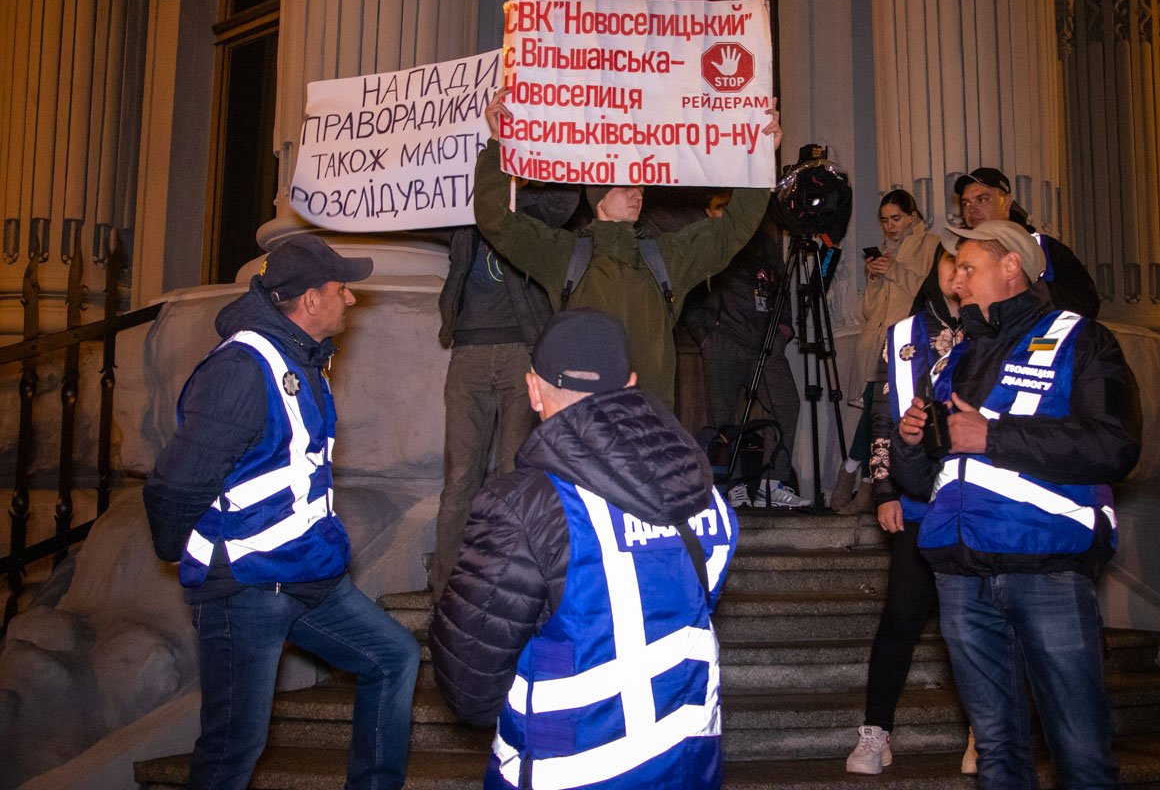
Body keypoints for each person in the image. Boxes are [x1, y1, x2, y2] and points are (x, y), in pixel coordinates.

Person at [143, 235, 421, 790]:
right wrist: (200, 563)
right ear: (309, 300)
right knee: (231, 750)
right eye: (342, 289)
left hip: (307, 577)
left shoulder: (305, 360)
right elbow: (173, 487)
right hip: (245, 589)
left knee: (394, 657)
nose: (351, 299)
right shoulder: (241, 370)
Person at [429, 309, 738, 790]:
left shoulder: (523, 506)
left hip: (568, 770)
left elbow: (470, 687)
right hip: (688, 763)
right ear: (632, 384)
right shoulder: (702, 492)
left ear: (533, 389)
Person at [890, 220, 1141, 789]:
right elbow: (924, 479)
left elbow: (1116, 445)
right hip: (959, 575)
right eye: (954, 273)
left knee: (1080, 750)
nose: (955, 284)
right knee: (997, 754)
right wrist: (911, 444)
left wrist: (993, 437)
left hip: (1046, 568)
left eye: (967, 268)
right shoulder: (953, 359)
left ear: (1011, 266)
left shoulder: (1082, 338)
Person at [472, 85, 781, 408]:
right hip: (587, 427)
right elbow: (495, 219)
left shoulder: (665, 257)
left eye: (640, 184)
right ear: (599, 197)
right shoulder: (563, 255)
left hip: (650, 430)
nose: (638, 193)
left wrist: (759, 158)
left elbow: (731, 229)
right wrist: (497, 144)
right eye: (625, 185)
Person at [845, 248, 964, 773]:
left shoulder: (997, 331)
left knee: (973, 623)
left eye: (968, 262)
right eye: (950, 262)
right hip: (917, 502)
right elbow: (881, 418)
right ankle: (875, 734)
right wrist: (885, 487)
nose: (958, 273)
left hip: (978, 499)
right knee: (900, 617)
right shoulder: (903, 335)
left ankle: (984, 732)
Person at [431, 182, 579, 601]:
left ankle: (508, 589)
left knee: (513, 474)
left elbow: (564, 203)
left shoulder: (528, 207)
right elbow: (419, 203)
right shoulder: (460, 203)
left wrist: (514, 188)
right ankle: (447, 595)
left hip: (521, 349)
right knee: (460, 478)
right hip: (467, 352)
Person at [684, 190, 806, 508]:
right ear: (708, 212)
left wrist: (781, 333)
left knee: (787, 405)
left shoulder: (762, 243)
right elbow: (687, 296)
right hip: (723, 344)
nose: (725, 212)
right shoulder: (703, 244)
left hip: (764, 345)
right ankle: (732, 484)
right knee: (723, 418)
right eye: (719, 207)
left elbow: (780, 291)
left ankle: (773, 482)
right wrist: (706, 338)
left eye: (729, 207)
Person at [831, 190, 941, 514]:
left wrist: (893, 270)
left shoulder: (930, 245)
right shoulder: (886, 251)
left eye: (896, 218)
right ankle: (864, 480)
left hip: (904, 345)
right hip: (874, 342)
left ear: (912, 216)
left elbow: (927, 291)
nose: (890, 226)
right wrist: (874, 278)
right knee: (874, 410)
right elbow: (868, 309)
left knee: (875, 411)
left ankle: (857, 474)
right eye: (885, 220)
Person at [955, 167, 1100, 318]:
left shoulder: (1045, 248)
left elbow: (1086, 305)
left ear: (1006, 202)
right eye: (965, 203)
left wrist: (1027, 294)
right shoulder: (953, 251)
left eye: (982, 199)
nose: (972, 209)